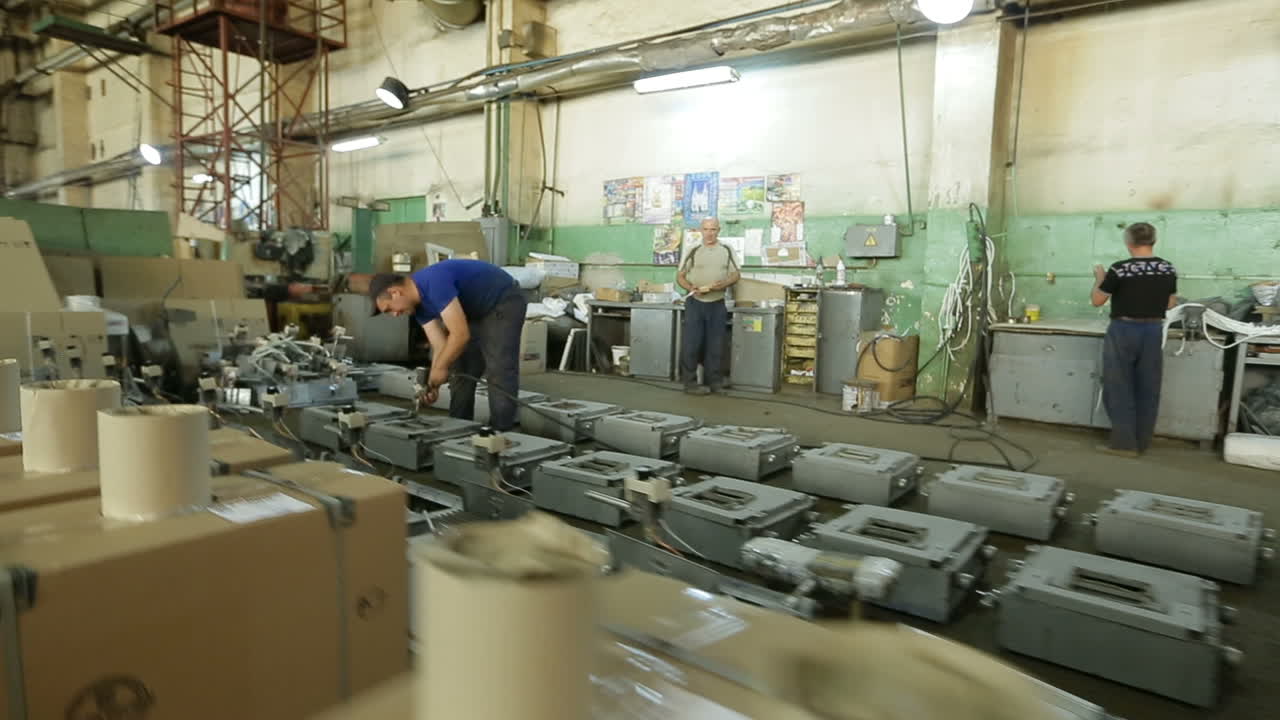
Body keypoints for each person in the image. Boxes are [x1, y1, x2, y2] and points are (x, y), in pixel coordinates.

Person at [369, 259, 527, 430]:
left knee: (499, 369)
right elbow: (440, 345)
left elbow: (460, 335)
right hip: (475, 310)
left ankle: (501, 433)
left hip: (503, 300)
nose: (394, 315)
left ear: (395, 293)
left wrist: (440, 368)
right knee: (460, 368)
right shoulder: (418, 307)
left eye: (389, 309)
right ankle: (459, 427)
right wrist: (433, 384)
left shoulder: (433, 282)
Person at [1090, 222, 1178, 457]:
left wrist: (1100, 279)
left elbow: (1097, 300)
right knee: (1148, 386)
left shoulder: (1120, 269)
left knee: (1118, 386)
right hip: (1153, 330)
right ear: (1154, 241)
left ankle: (1124, 444)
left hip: (1124, 330)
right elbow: (1171, 303)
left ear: (1128, 243)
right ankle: (1141, 442)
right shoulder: (1167, 268)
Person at [676, 217, 740, 395]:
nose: (709, 233)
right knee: (692, 344)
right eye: (706, 229)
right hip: (695, 304)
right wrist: (691, 288)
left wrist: (724, 284)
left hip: (717, 304)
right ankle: (690, 384)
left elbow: (736, 275)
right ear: (700, 230)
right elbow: (680, 276)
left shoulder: (727, 249)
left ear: (719, 230)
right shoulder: (693, 249)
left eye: (713, 229)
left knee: (716, 345)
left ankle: (715, 383)